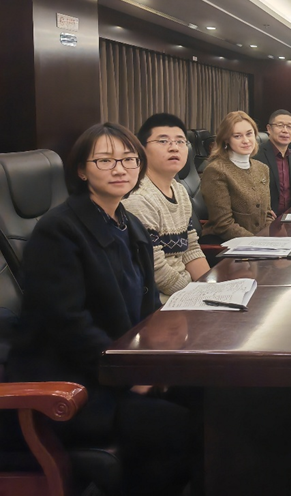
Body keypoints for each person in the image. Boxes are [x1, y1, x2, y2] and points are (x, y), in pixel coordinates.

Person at [8, 123, 191, 496]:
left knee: (211, 396)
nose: (120, 169)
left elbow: (147, 308)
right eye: (105, 161)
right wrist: (128, 375)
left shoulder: (130, 224)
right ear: (82, 170)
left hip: (115, 368)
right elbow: (68, 325)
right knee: (177, 425)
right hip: (71, 385)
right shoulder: (58, 231)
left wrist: (156, 364)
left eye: (129, 160)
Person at [123, 113, 209, 299]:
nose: (174, 147)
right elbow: (157, 271)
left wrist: (210, 287)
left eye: (180, 142)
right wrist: (197, 294)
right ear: (142, 149)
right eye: (163, 141)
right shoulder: (138, 199)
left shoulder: (179, 190)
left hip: (186, 293)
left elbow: (191, 249)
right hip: (159, 301)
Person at [200, 110, 274, 243]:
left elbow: (267, 214)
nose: (246, 140)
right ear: (226, 139)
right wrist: (257, 242)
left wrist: (269, 237)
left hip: (260, 242)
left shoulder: (262, 168)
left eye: (249, 134)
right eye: (237, 136)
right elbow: (223, 224)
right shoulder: (216, 171)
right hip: (227, 245)